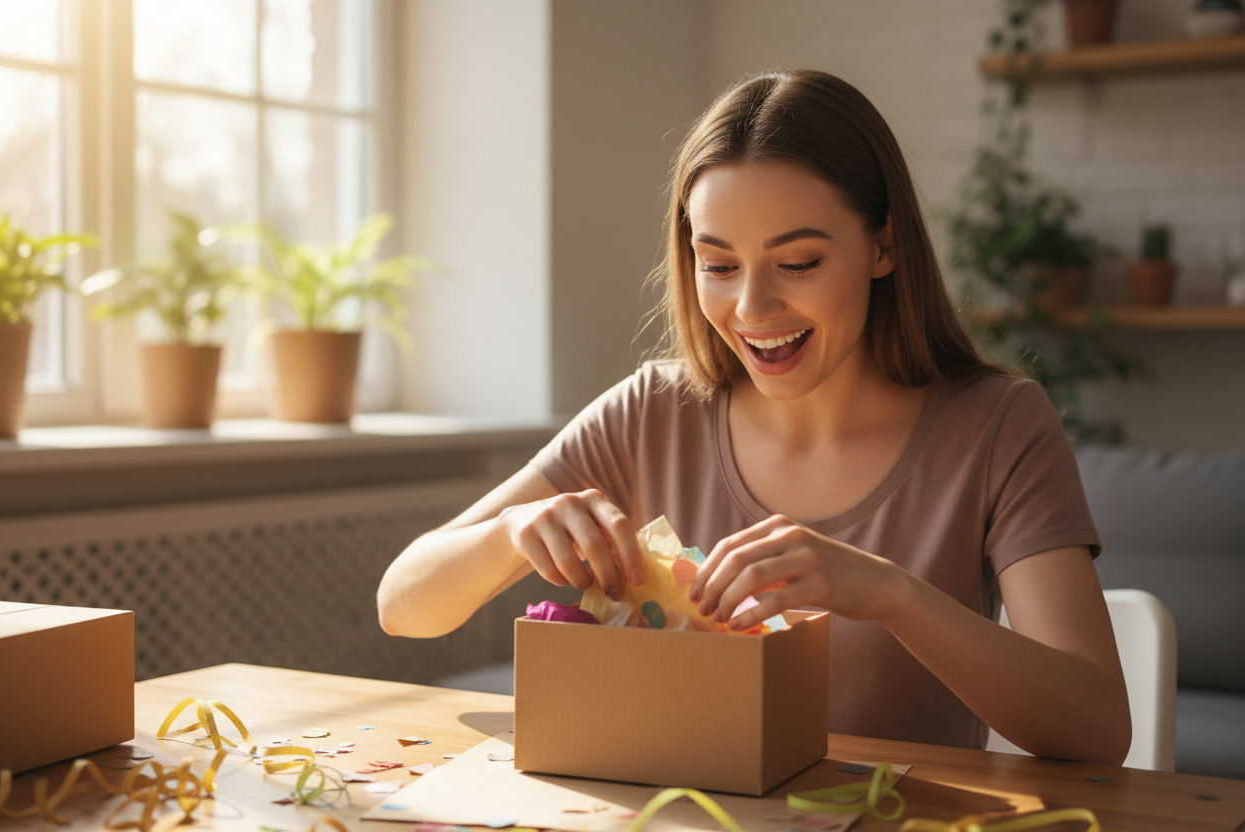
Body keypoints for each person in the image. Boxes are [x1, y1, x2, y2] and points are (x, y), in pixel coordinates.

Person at [377, 69, 1131, 765]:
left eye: (798, 263)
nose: (752, 309)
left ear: (884, 246)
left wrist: (893, 595)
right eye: (719, 263)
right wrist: (512, 535)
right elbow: (401, 605)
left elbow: (1097, 726)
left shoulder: (998, 425)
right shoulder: (652, 410)